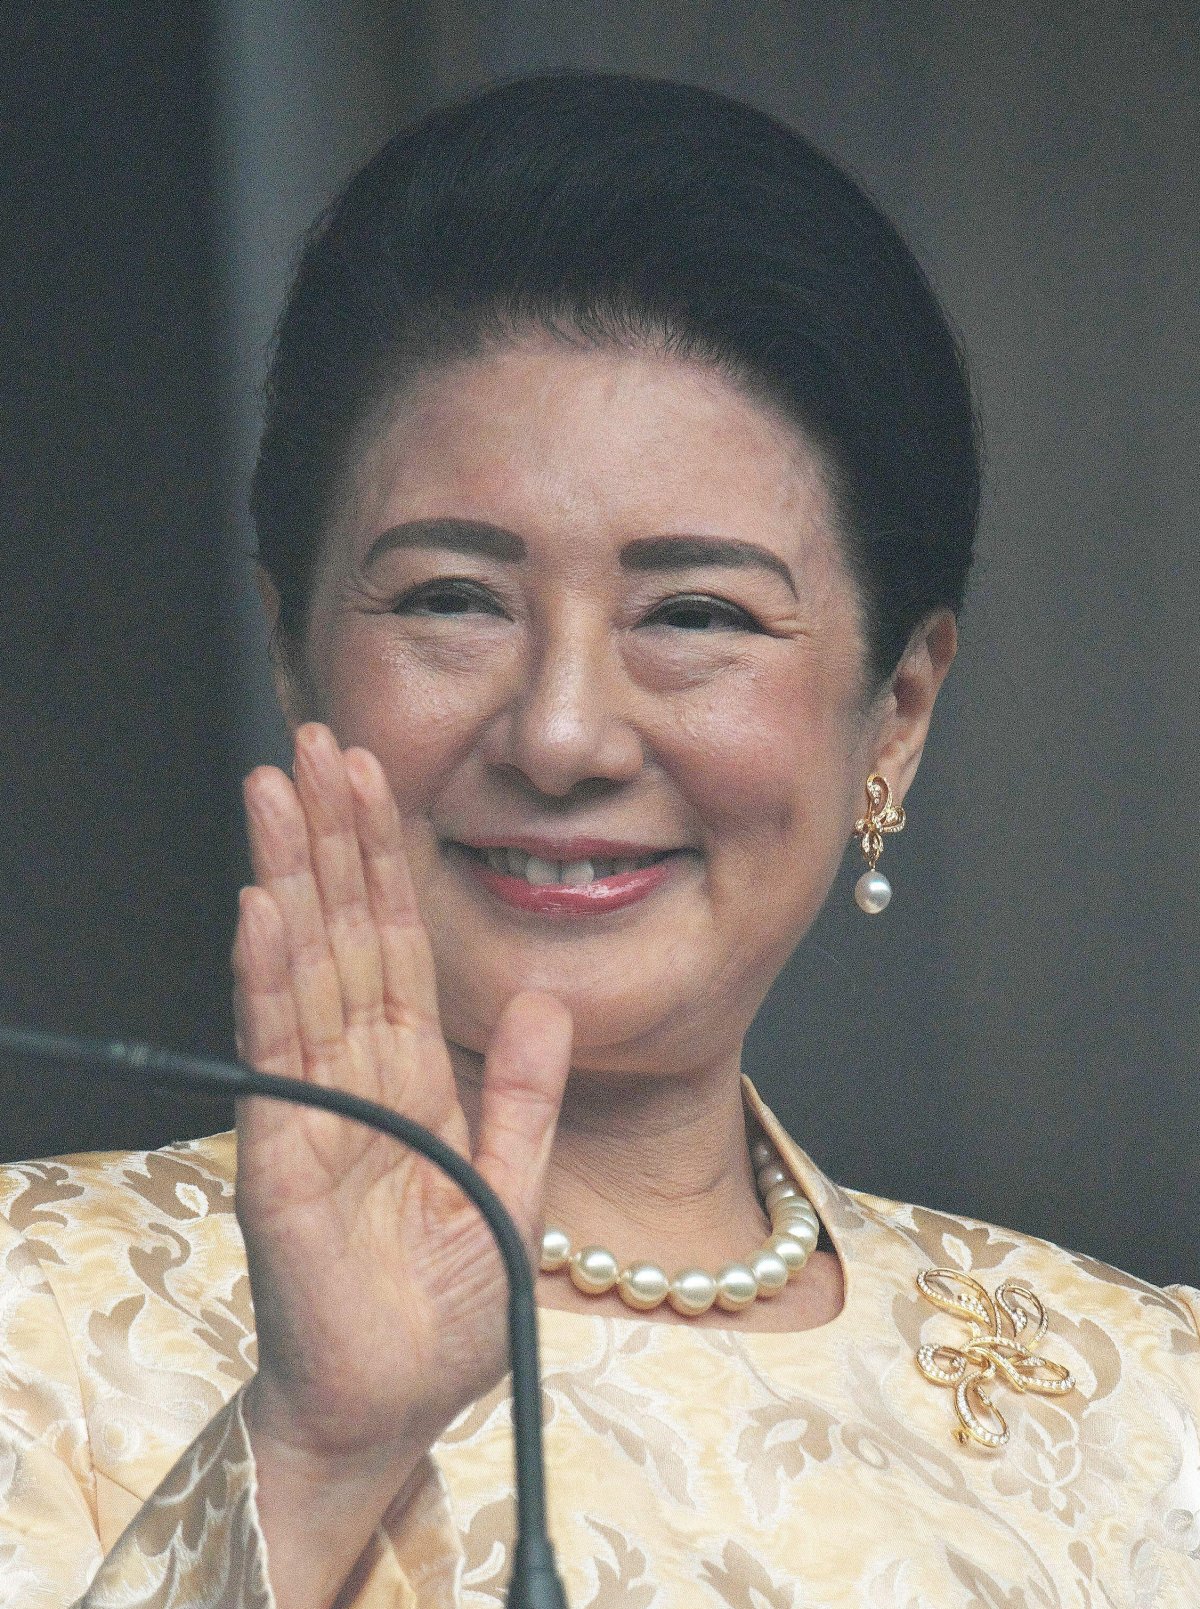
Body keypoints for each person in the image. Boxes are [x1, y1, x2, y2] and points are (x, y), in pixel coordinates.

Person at [1, 70, 1197, 1609]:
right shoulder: (36, 1316)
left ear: (894, 710)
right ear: (294, 650)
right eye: (452, 599)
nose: (562, 733)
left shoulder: (1137, 1410)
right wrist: (309, 1459)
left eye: (694, 614)